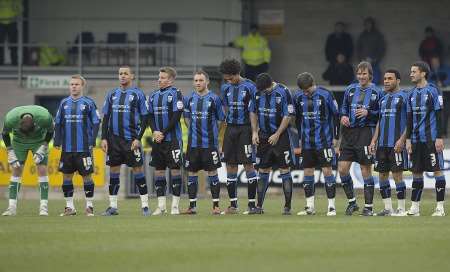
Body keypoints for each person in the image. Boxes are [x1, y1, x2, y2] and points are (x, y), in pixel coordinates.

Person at [100, 66, 150, 216]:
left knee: (138, 171)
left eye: (125, 74)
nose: (122, 76)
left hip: (131, 141)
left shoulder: (138, 94)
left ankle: (145, 206)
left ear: (132, 76)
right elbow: (106, 117)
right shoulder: (112, 94)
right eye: (120, 74)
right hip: (113, 140)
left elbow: (145, 117)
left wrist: (138, 138)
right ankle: (113, 206)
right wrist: (103, 138)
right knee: (114, 172)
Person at [338, 61, 382, 216]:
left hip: (365, 133)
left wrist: (368, 113)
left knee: (365, 170)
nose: (361, 76)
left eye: (364, 74)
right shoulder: (350, 89)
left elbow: (382, 115)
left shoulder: (377, 92)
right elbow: (343, 107)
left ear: (370, 74)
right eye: (359, 73)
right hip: (349, 133)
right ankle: (352, 203)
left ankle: (368, 207)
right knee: (342, 169)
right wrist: (343, 115)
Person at [293, 72, 340, 216]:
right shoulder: (298, 97)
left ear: (313, 84)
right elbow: (298, 119)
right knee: (307, 172)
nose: (306, 93)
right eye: (303, 91)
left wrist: (336, 137)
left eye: (308, 90)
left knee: (327, 171)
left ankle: (331, 206)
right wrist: (300, 137)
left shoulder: (326, 94)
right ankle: (310, 207)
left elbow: (336, 116)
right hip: (307, 142)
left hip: (324, 141)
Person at [53, 75, 100, 216]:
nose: (74, 86)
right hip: (67, 149)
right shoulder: (64, 103)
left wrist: (92, 140)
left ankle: (89, 206)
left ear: (82, 86)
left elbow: (97, 122)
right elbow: (58, 123)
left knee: (87, 177)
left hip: (84, 148)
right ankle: (69, 207)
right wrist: (57, 141)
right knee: (66, 177)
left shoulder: (89, 103)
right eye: (72, 84)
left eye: (77, 84)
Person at [405, 61, 446, 216]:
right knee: (416, 172)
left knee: (437, 170)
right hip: (415, 140)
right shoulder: (411, 93)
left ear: (423, 73)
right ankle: (415, 207)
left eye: (414, 71)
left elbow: (439, 114)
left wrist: (439, 137)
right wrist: (408, 139)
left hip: (431, 139)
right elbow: (409, 118)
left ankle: (440, 208)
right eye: (411, 71)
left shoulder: (434, 90)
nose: (411, 74)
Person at [250, 73, 294, 215]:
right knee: (263, 170)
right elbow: (253, 111)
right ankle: (259, 206)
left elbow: (288, 115)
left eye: (265, 90)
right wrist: (254, 132)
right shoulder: (257, 92)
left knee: (284, 170)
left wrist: (277, 134)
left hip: (281, 137)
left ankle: (287, 207)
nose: (263, 93)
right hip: (263, 136)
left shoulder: (283, 91)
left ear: (271, 85)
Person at [182, 70, 225, 215]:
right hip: (193, 144)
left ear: (207, 82)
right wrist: (193, 131)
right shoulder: (189, 98)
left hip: (210, 143)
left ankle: (216, 206)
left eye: (200, 80)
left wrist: (213, 134)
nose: (198, 83)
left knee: (212, 172)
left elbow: (220, 120)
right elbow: (187, 119)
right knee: (192, 173)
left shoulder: (214, 98)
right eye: (196, 81)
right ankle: (192, 206)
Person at [219, 59, 258, 214]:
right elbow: (224, 109)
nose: (228, 80)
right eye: (226, 78)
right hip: (230, 129)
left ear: (237, 73)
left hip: (246, 129)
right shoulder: (225, 88)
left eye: (231, 77)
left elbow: (254, 110)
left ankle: (251, 205)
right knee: (230, 165)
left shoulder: (250, 86)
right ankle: (233, 206)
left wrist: (255, 131)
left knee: (248, 164)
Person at [368, 69, 409, 216]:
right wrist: (374, 140)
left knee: (398, 175)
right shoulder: (383, 99)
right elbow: (380, 120)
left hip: (396, 144)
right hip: (382, 145)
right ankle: (387, 208)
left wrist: (403, 140)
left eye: (390, 78)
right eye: (385, 78)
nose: (386, 81)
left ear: (398, 80)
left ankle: (402, 208)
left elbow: (410, 121)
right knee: (382, 175)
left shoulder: (405, 97)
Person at [2, 105, 53, 216]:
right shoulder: (10, 118)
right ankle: (11, 207)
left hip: (38, 140)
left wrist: (43, 147)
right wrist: (10, 151)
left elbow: (51, 131)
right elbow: (5, 134)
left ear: (35, 124)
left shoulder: (44, 116)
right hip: (19, 141)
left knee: (42, 169)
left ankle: (43, 207)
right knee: (16, 169)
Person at [147, 67, 184, 215]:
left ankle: (175, 205)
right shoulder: (153, 95)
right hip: (158, 140)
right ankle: (161, 206)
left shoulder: (176, 94)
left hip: (172, 139)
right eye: (159, 77)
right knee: (159, 171)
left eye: (162, 77)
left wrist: (162, 132)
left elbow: (176, 116)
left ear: (170, 80)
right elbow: (149, 116)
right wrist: (155, 131)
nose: (159, 79)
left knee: (175, 170)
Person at [356, 17, 386, 85]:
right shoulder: (362, 35)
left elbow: (381, 48)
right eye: (366, 24)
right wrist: (361, 59)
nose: (368, 26)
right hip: (363, 61)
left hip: (374, 61)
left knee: (375, 79)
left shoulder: (378, 35)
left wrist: (375, 58)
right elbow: (358, 48)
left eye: (369, 24)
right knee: (362, 78)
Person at [0, 0, 22, 65]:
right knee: (0, 44)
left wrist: (16, 16)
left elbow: (21, 9)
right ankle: (0, 64)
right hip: (0, 22)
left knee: (13, 44)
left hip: (12, 22)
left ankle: (14, 63)